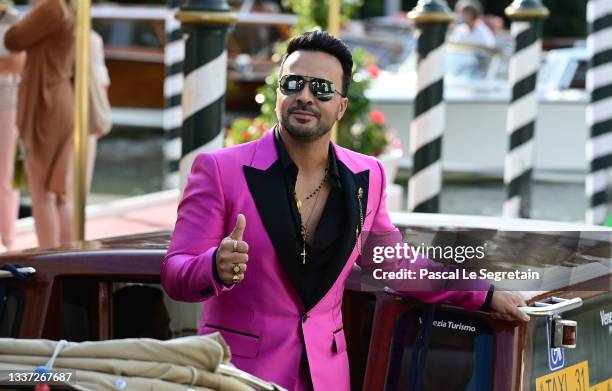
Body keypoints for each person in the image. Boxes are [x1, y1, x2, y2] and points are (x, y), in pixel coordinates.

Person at [162, 31, 528, 391]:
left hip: (326, 377)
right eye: (293, 84)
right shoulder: (220, 170)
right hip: (239, 376)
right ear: (277, 95)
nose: (304, 96)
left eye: (320, 89)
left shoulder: (368, 175)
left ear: (341, 105)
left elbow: (395, 265)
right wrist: (214, 265)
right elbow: (175, 273)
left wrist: (481, 293)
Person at [4, 0, 76, 248]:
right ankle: (67, 258)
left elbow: (13, 40)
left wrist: (33, 9)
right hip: (59, 99)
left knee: (42, 192)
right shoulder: (68, 8)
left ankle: (50, 265)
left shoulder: (51, 8)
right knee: (58, 192)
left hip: (47, 102)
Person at [0, 1, 23, 253]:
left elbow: (18, 63)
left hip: (8, 103)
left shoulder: (16, 21)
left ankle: (7, 238)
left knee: (5, 172)